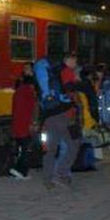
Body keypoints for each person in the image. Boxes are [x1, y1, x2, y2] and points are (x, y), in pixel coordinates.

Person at [35, 53, 79, 189]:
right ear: (68, 60)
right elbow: (71, 93)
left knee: (50, 149)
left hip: (50, 116)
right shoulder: (67, 72)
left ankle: (48, 180)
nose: (76, 63)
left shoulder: (49, 73)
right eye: (74, 61)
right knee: (74, 144)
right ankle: (61, 173)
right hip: (65, 115)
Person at [9, 62, 38, 180]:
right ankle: (20, 170)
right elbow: (33, 109)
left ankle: (18, 171)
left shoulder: (18, 91)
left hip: (17, 124)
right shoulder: (29, 92)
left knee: (21, 148)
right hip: (26, 125)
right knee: (26, 149)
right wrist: (34, 123)